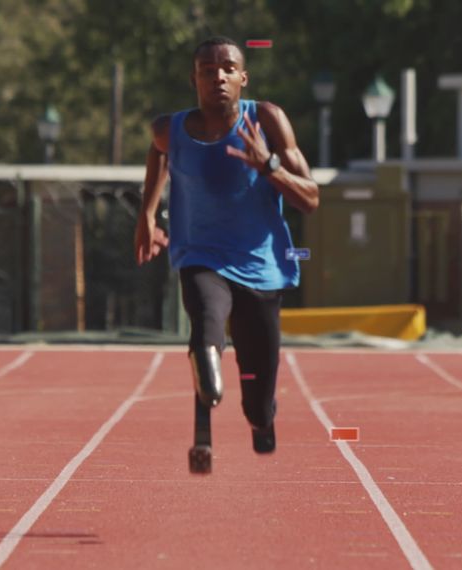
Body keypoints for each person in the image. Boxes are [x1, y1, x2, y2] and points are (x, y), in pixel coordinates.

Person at [134, 36, 319, 474]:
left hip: (262, 266)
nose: (217, 76)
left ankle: (260, 416)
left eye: (227, 69)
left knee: (258, 388)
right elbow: (159, 152)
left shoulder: (267, 119)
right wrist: (147, 213)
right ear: (194, 79)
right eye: (207, 70)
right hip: (201, 255)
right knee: (206, 320)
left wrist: (268, 165)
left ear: (243, 77)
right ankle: (206, 401)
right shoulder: (171, 128)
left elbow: (310, 199)